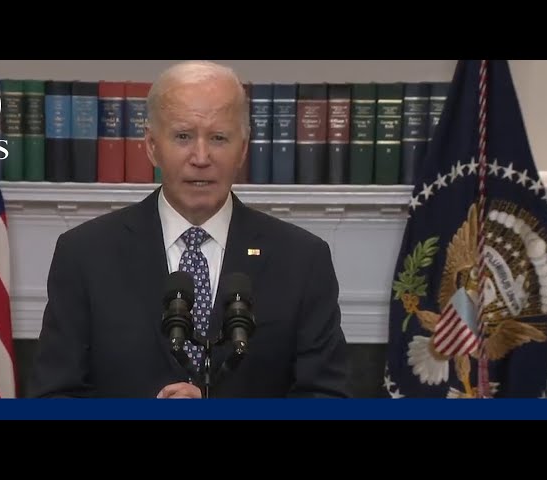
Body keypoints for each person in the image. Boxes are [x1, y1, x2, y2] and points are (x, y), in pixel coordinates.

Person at [28, 60, 351, 398]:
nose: (201, 156)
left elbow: (327, 397)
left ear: (242, 149)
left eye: (219, 137)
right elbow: (53, 396)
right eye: (183, 136)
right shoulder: (85, 254)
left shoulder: (302, 259)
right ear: (152, 147)